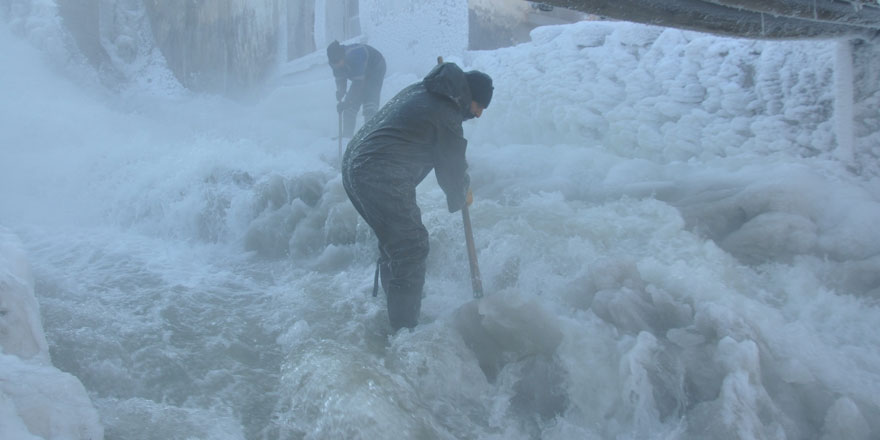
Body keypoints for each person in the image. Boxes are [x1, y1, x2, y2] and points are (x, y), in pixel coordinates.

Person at [342, 61, 493, 331]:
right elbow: (452, 166)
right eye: (480, 107)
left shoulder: (421, 91)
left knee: (397, 244)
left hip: (354, 166)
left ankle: (394, 311)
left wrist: (458, 185)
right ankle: (405, 331)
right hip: (377, 172)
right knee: (412, 246)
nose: (479, 115)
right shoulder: (446, 111)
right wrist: (460, 191)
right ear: (470, 97)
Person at [326, 40, 387, 138]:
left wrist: (348, 102)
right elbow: (340, 78)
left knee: (370, 103)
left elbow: (358, 85)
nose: (337, 65)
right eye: (334, 63)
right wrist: (340, 92)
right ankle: (347, 137)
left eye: (338, 62)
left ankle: (370, 137)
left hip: (375, 68)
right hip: (359, 77)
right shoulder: (334, 62)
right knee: (349, 109)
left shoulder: (356, 55)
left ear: (343, 56)